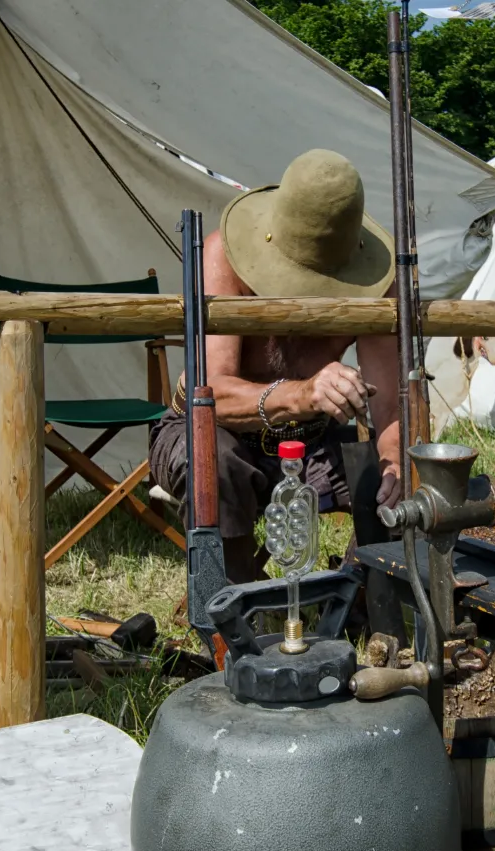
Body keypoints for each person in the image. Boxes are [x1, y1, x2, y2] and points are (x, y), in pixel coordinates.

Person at [150, 149, 402, 582]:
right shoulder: (222, 258)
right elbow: (212, 396)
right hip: (211, 432)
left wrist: (395, 464)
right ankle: (230, 617)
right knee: (217, 463)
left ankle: (356, 602)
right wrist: (305, 393)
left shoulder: (379, 283)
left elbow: (394, 410)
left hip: (310, 442)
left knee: (394, 477)